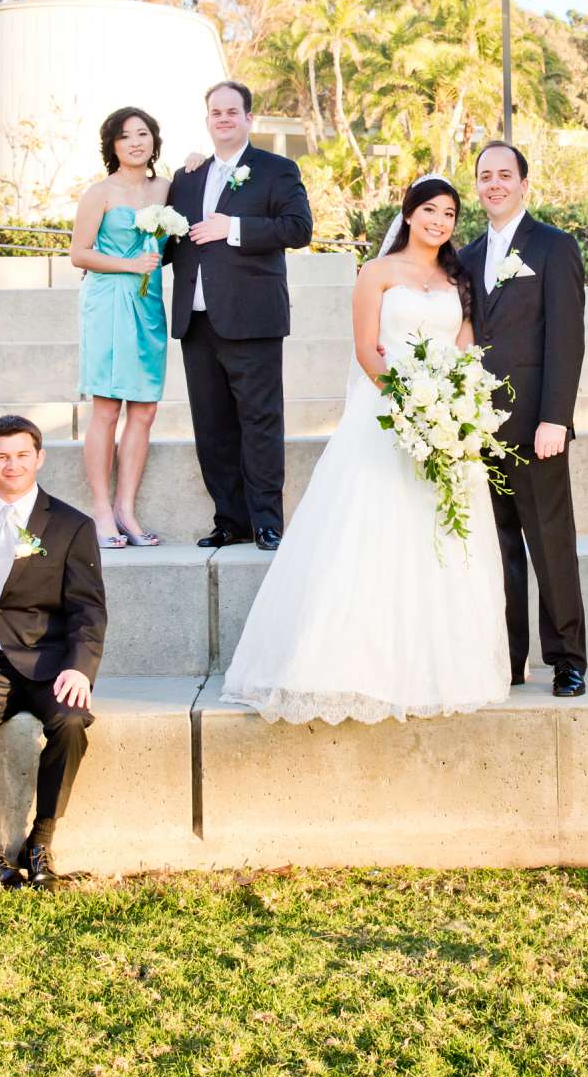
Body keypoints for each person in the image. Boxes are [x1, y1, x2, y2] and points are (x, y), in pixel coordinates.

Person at [219, 175, 513, 723]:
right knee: (375, 537)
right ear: (408, 214)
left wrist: (452, 405)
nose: (439, 221)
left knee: (442, 540)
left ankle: (443, 669)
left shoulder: (458, 275)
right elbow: (365, 349)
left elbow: (465, 342)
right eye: (429, 210)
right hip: (386, 417)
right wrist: (409, 405)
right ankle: (356, 668)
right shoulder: (376, 273)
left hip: (446, 420)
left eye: (449, 213)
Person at [0, 416, 108, 889]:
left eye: (21, 455)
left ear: (39, 458)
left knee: (72, 723)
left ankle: (41, 840)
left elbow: (89, 609)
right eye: (1, 456)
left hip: (50, 661)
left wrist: (80, 668)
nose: (12, 464)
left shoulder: (71, 525)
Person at [459, 142, 588, 697]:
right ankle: (509, 659)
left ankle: (567, 659)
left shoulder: (554, 247)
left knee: (549, 542)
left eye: (504, 175)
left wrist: (555, 417)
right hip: (475, 424)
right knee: (499, 548)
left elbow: (567, 337)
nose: (494, 184)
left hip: (537, 424)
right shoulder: (462, 257)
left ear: (523, 184)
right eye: (485, 176)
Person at [163, 82, 313, 552]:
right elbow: (172, 242)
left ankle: (267, 520)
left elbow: (299, 228)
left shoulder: (277, 170)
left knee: (260, 422)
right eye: (215, 112)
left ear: (249, 118)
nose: (223, 118)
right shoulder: (187, 177)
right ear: (207, 119)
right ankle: (231, 520)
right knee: (212, 426)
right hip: (197, 321)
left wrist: (235, 228)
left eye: (232, 111)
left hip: (253, 320)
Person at [70, 106, 172, 548]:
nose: (136, 142)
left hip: (148, 302)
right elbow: (79, 254)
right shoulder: (100, 193)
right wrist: (129, 265)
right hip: (109, 298)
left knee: (145, 409)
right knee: (108, 406)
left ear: (154, 140)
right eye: (126, 136)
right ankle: (100, 510)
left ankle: (126, 508)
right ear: (112, 145)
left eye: (143, 133)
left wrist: (190, 160)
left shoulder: (167, 188)